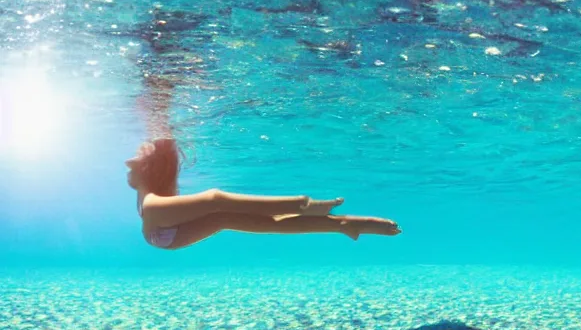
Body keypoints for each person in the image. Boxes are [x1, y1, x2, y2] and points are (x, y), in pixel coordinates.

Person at [127, 138, 401, 250]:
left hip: (162, 233)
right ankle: (321, 215)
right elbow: (214, 199)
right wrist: (301, 205)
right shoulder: (153, 203)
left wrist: (302, 205)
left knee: (224, 215)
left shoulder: (153, 206)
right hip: (163, 234)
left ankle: (344, 224)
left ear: (150, 170)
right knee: (224, 214)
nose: (128, 162)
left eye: (136, 159)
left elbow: (216, 199)